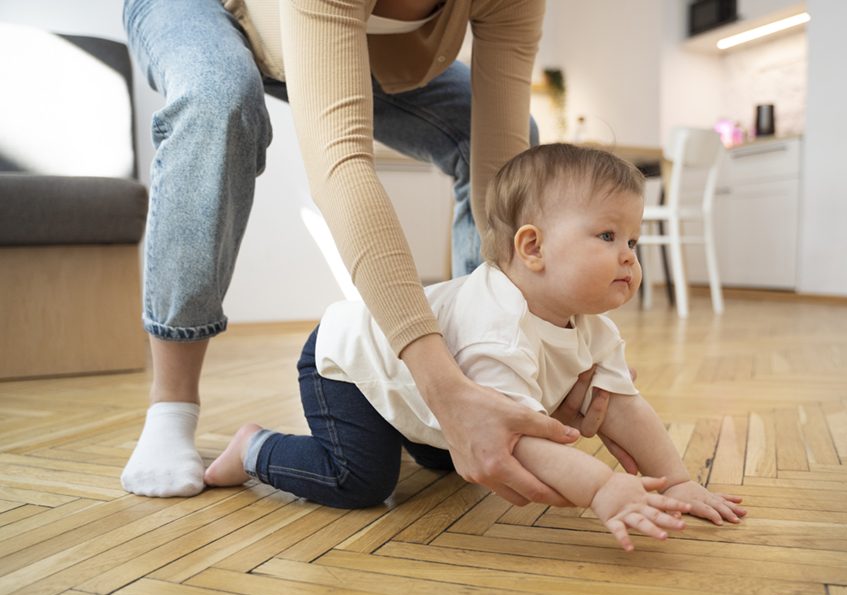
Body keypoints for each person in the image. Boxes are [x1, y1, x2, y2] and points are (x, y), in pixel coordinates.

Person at [120, 0, 608, 502]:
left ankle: (474, 366)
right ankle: (171, 405)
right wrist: (440, 387)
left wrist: (527, 341)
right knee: (216, 96)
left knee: (504, 153)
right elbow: (341, 166)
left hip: (344, 41)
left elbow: (502, 169)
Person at [204, 144, 746, 549]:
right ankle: (253, 448)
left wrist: (677, 480)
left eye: (633, 239)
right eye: (608, 236)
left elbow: (623, 408)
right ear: (532, 247)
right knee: (361, 481)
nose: (629, 255)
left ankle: (400, 428)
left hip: (412, 384)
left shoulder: (592, 326)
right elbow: (517, 439)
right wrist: (604, 488)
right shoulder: (497, 325)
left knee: (454, 464)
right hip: (348, 360)